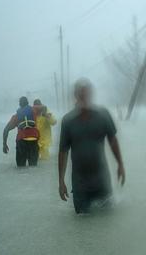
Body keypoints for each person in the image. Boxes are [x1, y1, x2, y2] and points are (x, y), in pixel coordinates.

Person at [58, 78, 125, 214]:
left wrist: (120, 164)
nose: (84, 97)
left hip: (102, 181)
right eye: (80, 94)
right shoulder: (68, 120)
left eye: (87, 94)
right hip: (80, 184)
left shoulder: (103, 115)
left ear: (91, 95)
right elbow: (63, 151)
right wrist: (61, 181)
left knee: (107, 221)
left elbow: (112, 140)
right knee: (82, 223)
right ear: (75, 96)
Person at [3, 96, 41, 167]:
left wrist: (4, 144)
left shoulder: (16, 116)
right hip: (33, 141)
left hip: (21, 142)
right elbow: (43, 108)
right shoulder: (34, 111)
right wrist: (45, 114)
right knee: (33, 168)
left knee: (21, 167)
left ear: (20, 105)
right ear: (28, 103)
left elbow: (6, 130)